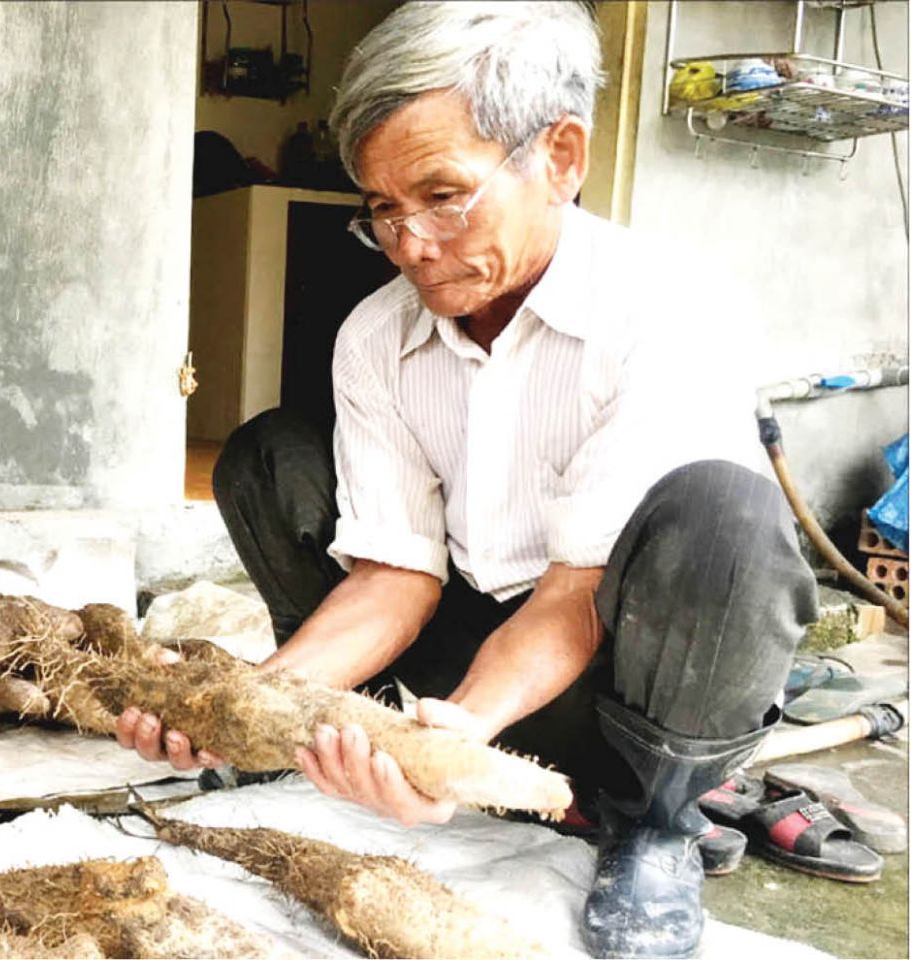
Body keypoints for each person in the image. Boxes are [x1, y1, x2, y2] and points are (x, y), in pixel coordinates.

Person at [117, 4, 817, 958]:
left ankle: (654, 824)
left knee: (729, 519)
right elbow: (395, 578)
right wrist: (243, 702)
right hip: (465, 656)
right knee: (270, 455)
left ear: (560, 158)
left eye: (443, 196)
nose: (410, 243)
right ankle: (337, 740)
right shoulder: (378, 336)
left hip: (615, 683)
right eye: (382, 209)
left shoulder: (667, 309)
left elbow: (575, 599)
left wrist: (459, 739)